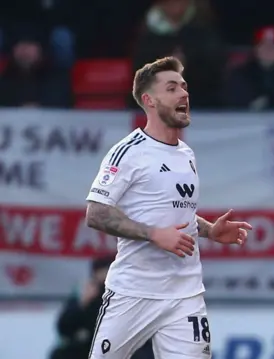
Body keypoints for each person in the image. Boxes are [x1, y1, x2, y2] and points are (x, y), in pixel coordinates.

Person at [84, 56, 253, 359]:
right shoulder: (128, 152)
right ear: (149, 100)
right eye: (172, 88)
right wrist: (153, 235)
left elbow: (177, 213)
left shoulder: (186, 153)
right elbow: (96, 213)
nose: (184, 94)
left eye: (185, 87)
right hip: (133, 292)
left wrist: (210, 230)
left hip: (185, 295)